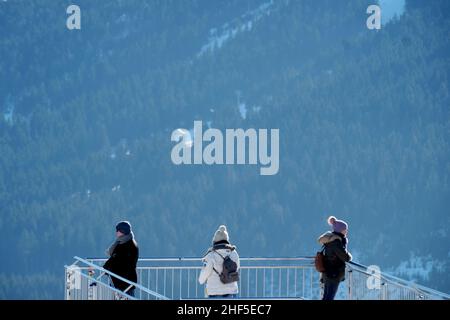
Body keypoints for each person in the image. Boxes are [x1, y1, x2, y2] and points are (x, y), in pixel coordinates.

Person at [198, 225, 240, 298]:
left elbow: (205, 274)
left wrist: (200, 280)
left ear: (215, 241)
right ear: (227, 240)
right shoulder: (234, 253)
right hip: (231, 292)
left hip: (214, 292)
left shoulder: (211, 255)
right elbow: (237, 268)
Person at [317, 216, 352, 300]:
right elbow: (346, 257)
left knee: (326, 296)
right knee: (329, 296)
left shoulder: (330, 239)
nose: (346, 231)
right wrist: (350, 256)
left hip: (327, 271)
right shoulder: (336, 242)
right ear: (340, 230)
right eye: (345, 229)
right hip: (333, 273)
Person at [103, 221, 139, 297]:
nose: (116, 232)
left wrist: (107, 267)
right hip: (122, 280)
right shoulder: (124, 242)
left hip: (124, 281)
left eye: (118, 230)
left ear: (123, 231)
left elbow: (118, 259)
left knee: (126, 297)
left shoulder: (127, 245)